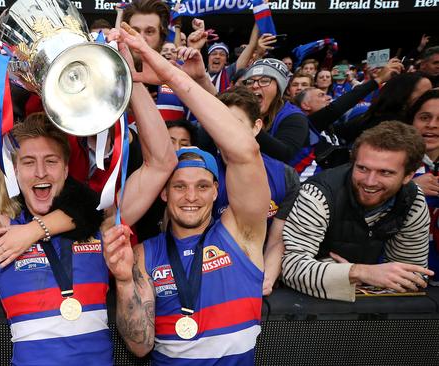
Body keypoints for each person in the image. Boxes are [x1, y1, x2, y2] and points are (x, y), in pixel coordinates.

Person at [0, 41, 176, 364]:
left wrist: (130, 78)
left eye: (51, 161)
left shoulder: (100, 224)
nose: (40, 172)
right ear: (13, 170)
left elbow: (162, 163)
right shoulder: (1, 235)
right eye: (28, 162)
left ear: (67, 169)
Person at [103, 22, 269, 363]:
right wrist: (123, 283)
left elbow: (245, 151)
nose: (190, 196)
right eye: (179, 186)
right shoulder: (143, 254)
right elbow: (140, 345)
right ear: (164, 193)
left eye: (202, 186)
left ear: (216, 192)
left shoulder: (243, 234)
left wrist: (166, 71)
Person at [281, 121, 433, 302]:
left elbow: (412, 277)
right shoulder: (319, 194)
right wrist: (359, 273)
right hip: (303, 307)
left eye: (385, 172)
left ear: (408, 175)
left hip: (367, 310)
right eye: (362, 168)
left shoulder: (412, 201)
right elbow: (289, 267)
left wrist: (355, 276)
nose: (369, 181)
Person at [216, 87, 300, 295]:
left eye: (236, 125)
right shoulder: (201, 173)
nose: (227, 134)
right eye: (220, 125)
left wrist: (267, 279)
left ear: (256, 127)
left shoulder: (285, 176)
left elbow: (277, 239)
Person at [242, 58, 320, 180]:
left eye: (265, 80)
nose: (255, 85)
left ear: (279, 88)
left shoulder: (295, 117)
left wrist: (246, 125)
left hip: (301, 183)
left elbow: (285, 154)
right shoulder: (246, 110)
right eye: (250, 81)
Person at [409, 89, 439, 284]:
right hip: (396, 275)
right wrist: (408, 189)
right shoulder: (389, 159)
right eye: (425, 117)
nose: (432, 125)